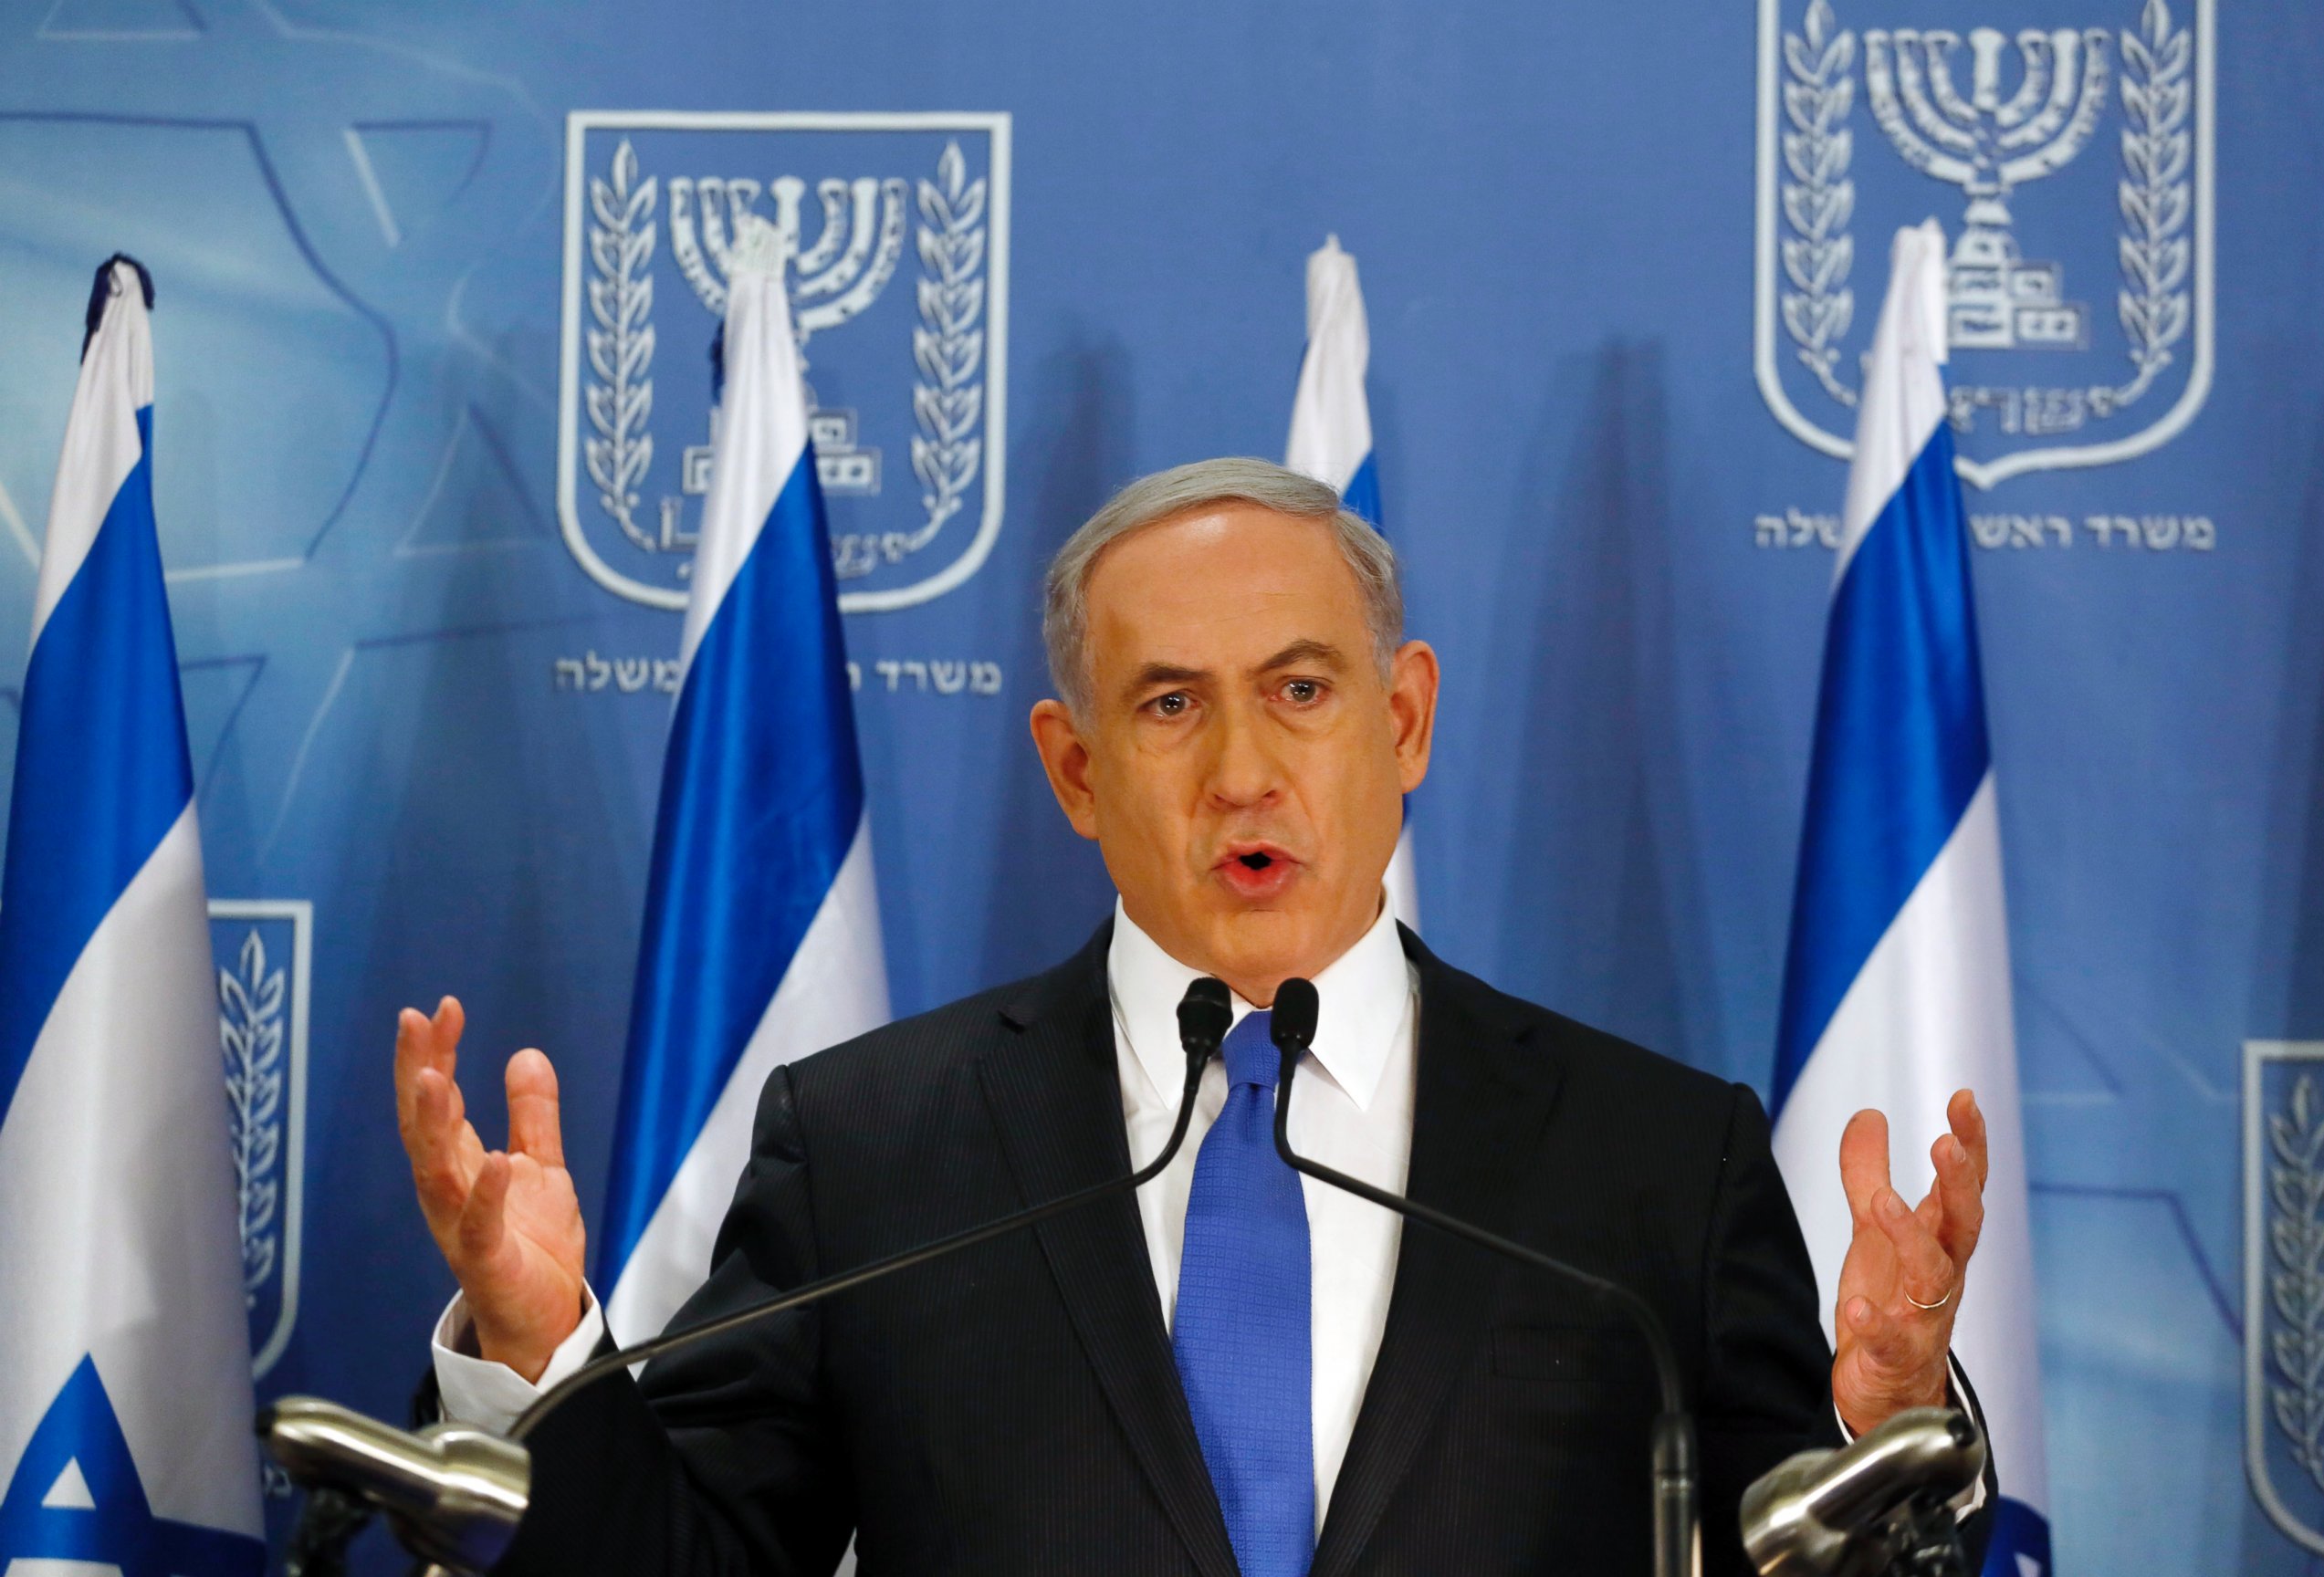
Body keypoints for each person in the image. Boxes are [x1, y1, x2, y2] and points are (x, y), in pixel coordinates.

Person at [394, 457, 1996, 1575]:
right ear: (1075, 767)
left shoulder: (1655, 1161)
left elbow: (1820, 1561)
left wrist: (1890, 1406)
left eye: (1301, 689)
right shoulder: (877, 1148)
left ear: (1406, 720)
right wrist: (542, 1351)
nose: (1244, 769)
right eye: (1169, 704)